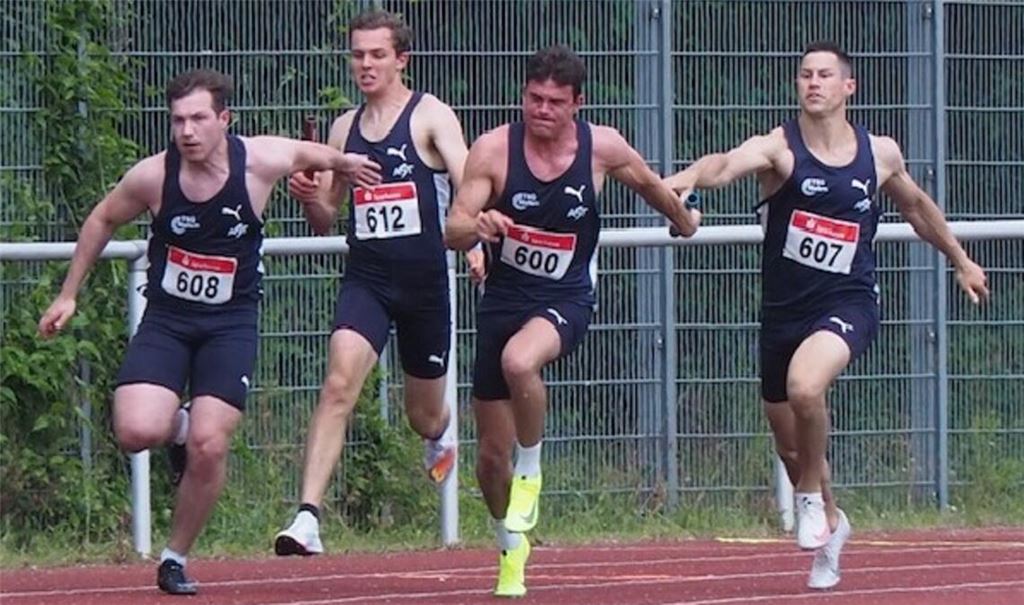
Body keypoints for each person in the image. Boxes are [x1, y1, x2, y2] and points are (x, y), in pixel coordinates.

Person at [37, 69, 381, 595]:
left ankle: (174, 557)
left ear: (225, 120)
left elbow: (314, 156)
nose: (187, 131)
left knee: (211, 443)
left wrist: (346, 163)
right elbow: (102, 219)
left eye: (199, 119)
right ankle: (176, 429)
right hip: (168, 321)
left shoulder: (259, 160)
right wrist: (68, 293)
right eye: (178, 121)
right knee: (135, 431)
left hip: (230, 325)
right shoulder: (153, 176)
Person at [663, 40, 989, 590]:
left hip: (850, 303)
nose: (812, 83)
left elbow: (916, 206)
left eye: (824, 75)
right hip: (784, 312)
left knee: (805, 388)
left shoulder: (879, 153)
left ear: (848, 87)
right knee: (790, 444)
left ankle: (809, 499)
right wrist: (690, 178)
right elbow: (726, 163)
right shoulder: (779, 149)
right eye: (804, 75)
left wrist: (960, 260)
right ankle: (831, 521)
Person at [444, 45, 701, 597]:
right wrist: (479, 225)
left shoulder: (600, 148)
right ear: (522, 98)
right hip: (504, 300)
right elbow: (453, 228)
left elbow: (652, 186)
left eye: (554, 102)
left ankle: (532, 470)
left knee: (521, 360)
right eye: (533, 99)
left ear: (576, 105)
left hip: (566, 297)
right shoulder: (492, 150)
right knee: (490, 461)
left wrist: (684, 221)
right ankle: (511, 546)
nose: (541, 110)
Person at [274, 9, 482, 556]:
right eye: (357, 54)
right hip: (366, 278)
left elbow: (470, 185)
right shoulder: (344, 129)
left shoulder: (431, 117)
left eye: (376, 55)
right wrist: (309, 196)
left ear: (400, 60)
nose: (364, 65)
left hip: (425, 286)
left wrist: (477, 243)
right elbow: (325, 218)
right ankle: (307, 519)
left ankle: (442, 428)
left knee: (421, 416)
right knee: (339, 384)